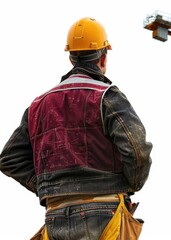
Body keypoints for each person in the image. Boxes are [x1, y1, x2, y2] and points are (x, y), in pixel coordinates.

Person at [0, 17, 152, 240]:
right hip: (104, 212)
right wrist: (132, 184)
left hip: (55, 216)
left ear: (71, 59)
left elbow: (9, 158)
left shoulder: (38, 106)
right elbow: (137, 150)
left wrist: (49, 187)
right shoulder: (107, 97)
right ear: (103, 57)